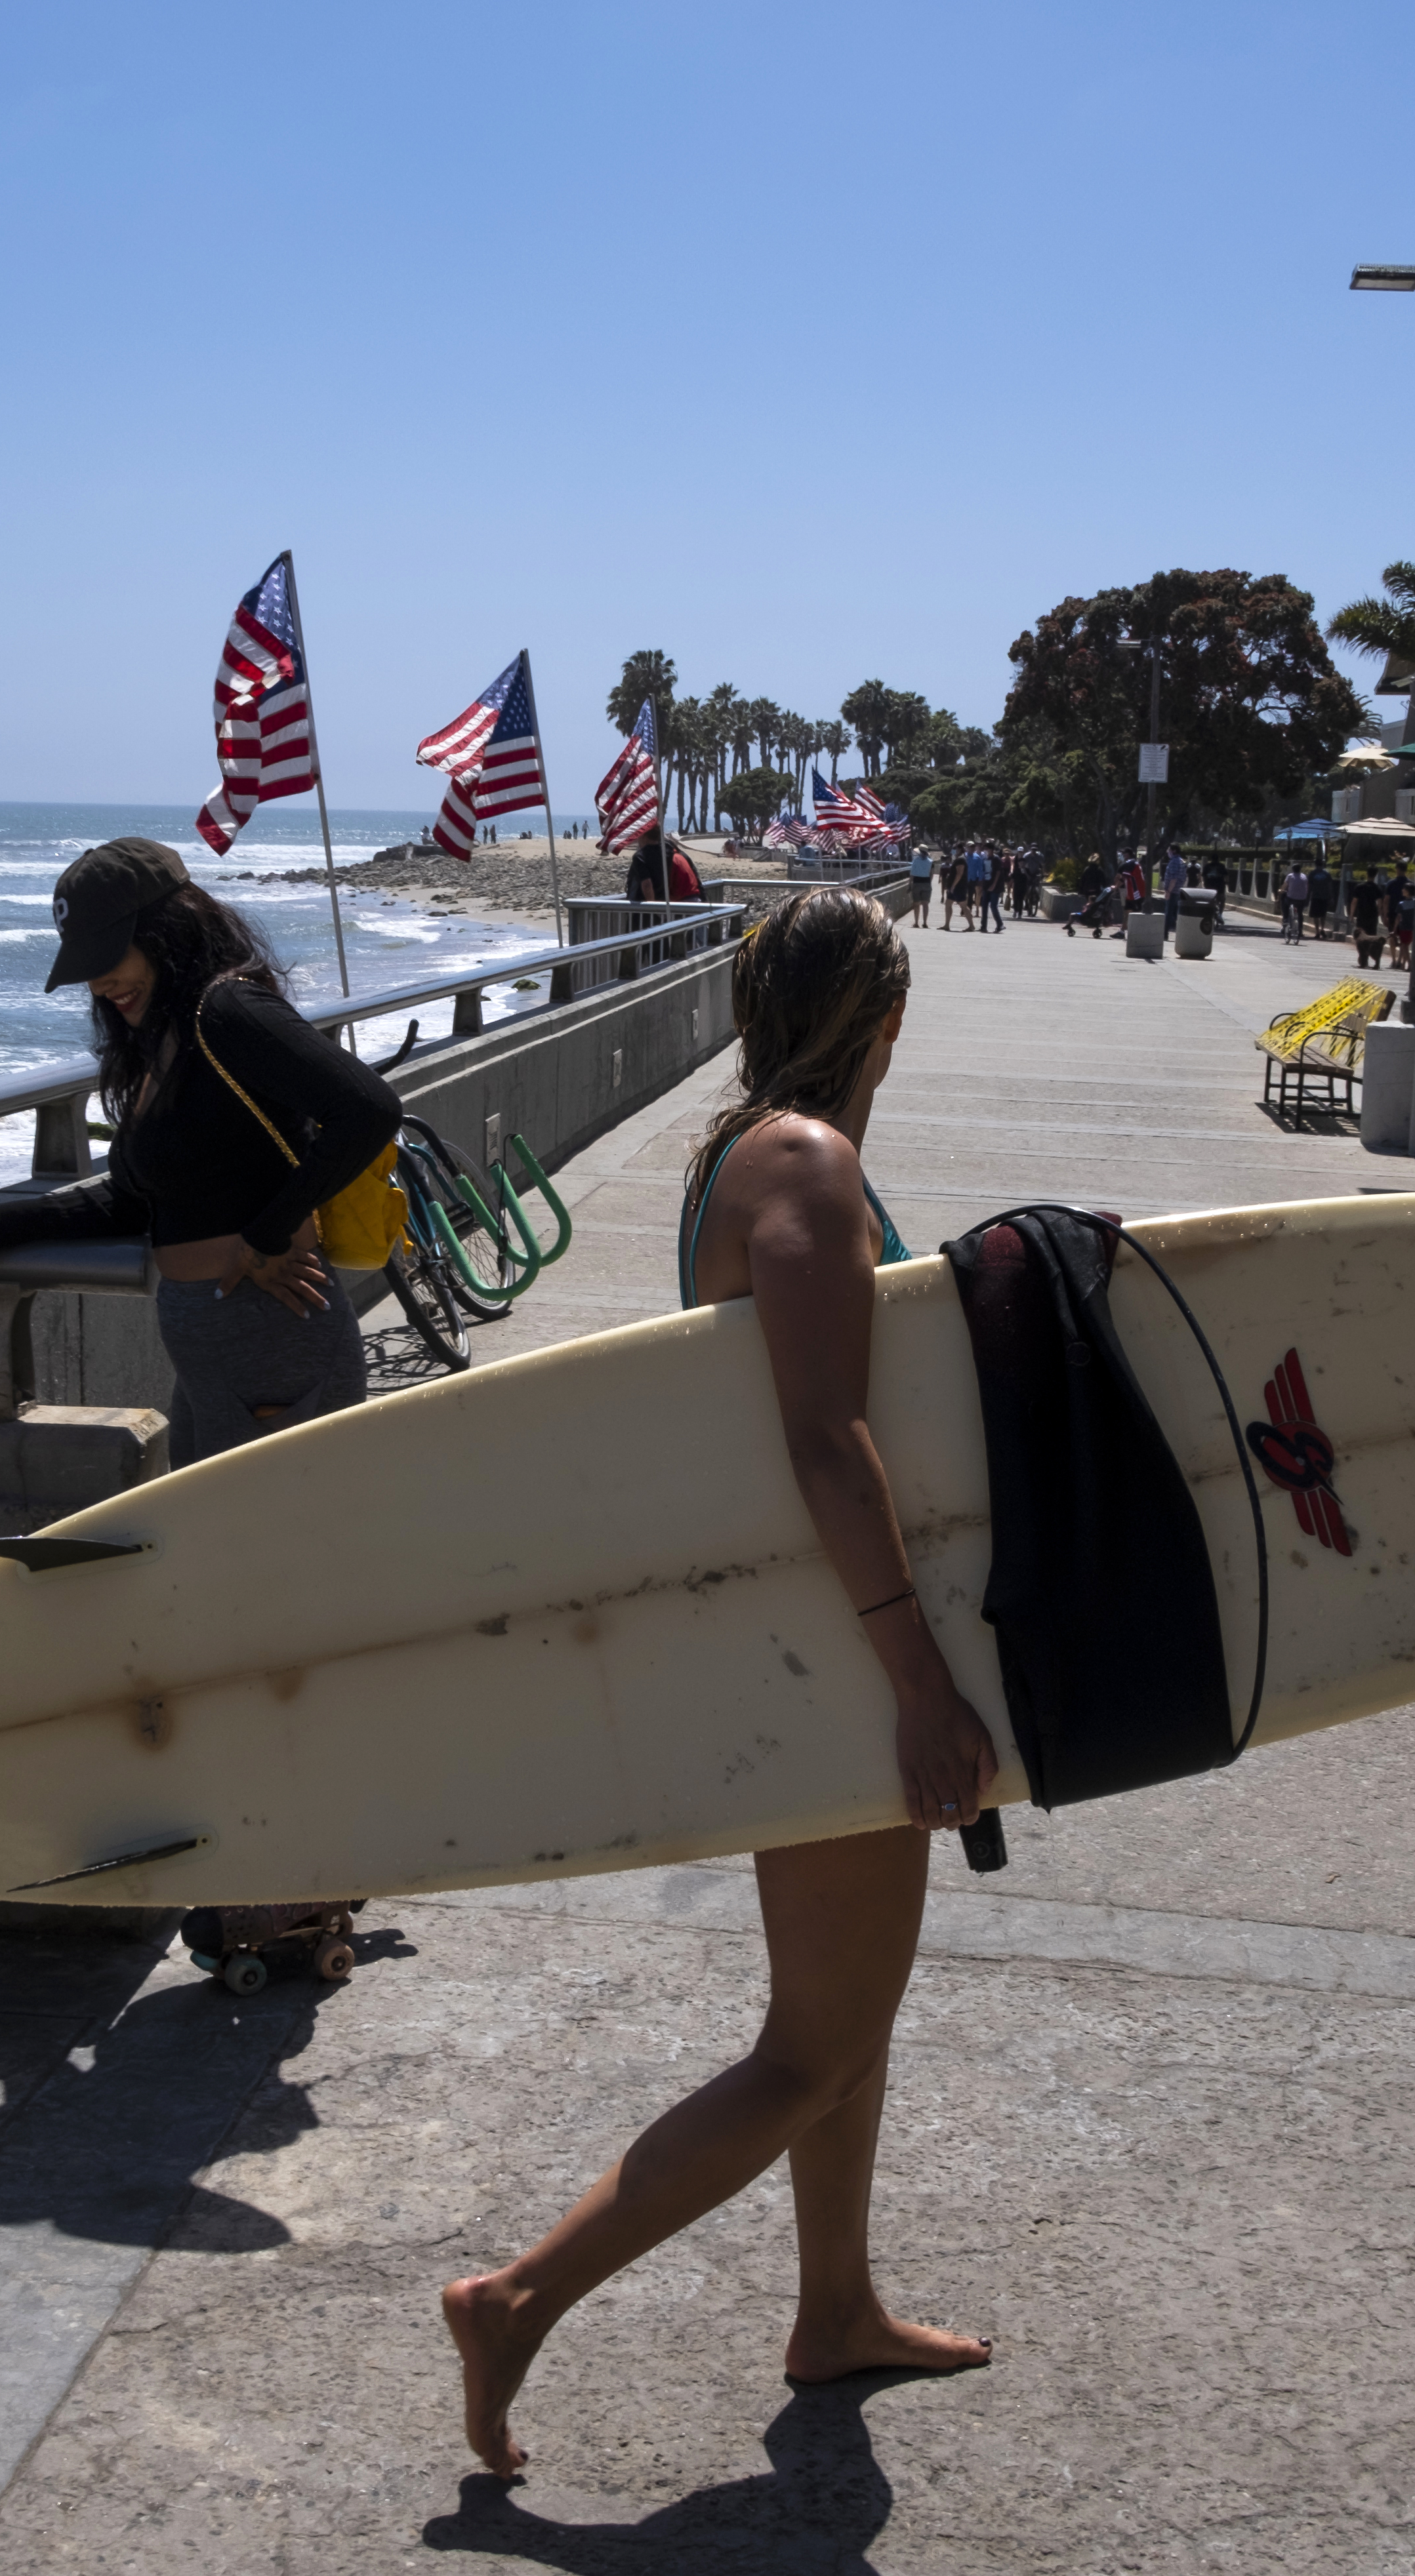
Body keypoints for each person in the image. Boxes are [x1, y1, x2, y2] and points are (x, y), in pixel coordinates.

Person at [441, 886, 998, 2475]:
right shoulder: (806, 1165)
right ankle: (519, 2294)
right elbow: (825, 1438)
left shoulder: (739, 1148)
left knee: (843, 2010)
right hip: (828, 1651)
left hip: (804, 1631)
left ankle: (835, 2306)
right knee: (806, 2044)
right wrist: (914, 1673)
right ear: (880, 1020)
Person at [0, 838, 399, 1463]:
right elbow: (133, 1202)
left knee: (284, 1549)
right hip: (212, 1358)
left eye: (108, 955)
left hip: (273, 1338)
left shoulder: (227, 1009)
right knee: (220, 1551)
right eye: (86, 964)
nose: (98, 984)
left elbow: (368, 1108)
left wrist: (267, 1235)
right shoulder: (165, 1042)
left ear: (168, 927)